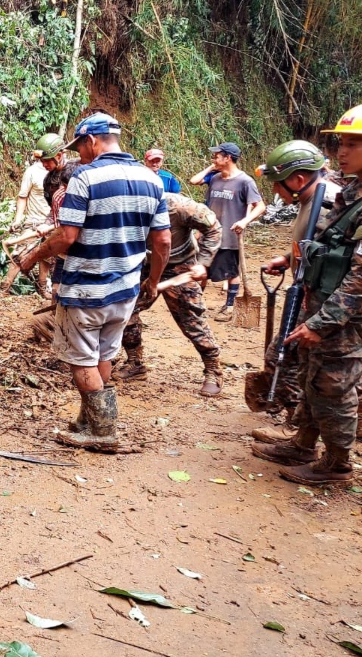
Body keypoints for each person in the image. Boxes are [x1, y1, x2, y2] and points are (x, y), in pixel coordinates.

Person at [16, 112, 171, 451]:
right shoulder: (151, 179)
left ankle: (102, 432)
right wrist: (153, 281)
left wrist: (31, 257)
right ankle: (90, 420)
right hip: (126, 288)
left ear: (91, 141)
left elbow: (66, 236)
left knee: (81, 359)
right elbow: (162, 242)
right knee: (104, 353)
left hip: (87, 286)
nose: (79, 155)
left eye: (80, 147)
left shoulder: (85, 178)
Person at [251, 108, 362, 485]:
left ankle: (337, 465)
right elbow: (328, 243)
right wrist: (291, 260)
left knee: (334, 387)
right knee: (314, 379)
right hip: (323, 302)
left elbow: (360, 278)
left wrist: (321, 322)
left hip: (344, 317)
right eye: (342, 142)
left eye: (353, 144)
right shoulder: (352, 193)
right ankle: (303, 444)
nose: (340, 152)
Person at [245, 141, 341, 444]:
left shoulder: (330, 205)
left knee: (285, 357)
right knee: (293, 359)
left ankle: (295, 427)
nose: (276, 192)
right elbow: (315, 248)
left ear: (298, 180)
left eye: (278, 185)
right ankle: (301, 430)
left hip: (327, 301)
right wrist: (288, 259)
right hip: (309, 292)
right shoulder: (309, 203)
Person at [116, 192, 224, 396]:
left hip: (180, 266)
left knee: (191, 320)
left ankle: (213, 369)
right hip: (144, 265)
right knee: (125, 311)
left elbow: (214, 228)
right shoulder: (121, 207)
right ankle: (135, 363)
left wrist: (203, 263)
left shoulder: (180, 207)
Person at [189, 142, 265, 321]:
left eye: (216, 155)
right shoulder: (214, 178)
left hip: (230, 236)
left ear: (228, 158)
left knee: (231, 272)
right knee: (202, 269)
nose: (213, 158)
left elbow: (260, 206)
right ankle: (195, 304)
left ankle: (229, 306)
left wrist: (244, 221)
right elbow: (195, 181)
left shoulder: (245, 181)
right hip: (209, 234)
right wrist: (211, 168)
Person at [2, 133, 68, 295]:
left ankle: (42, 287)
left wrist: (54, 224)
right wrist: (18, 219)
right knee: (21, 254)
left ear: (59, 156)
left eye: (47, 160)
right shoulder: (32, 171)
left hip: (56, 223)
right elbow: (22, 196)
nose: (44, 164)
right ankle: (4, 287)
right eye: (42, 161)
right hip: (35, 222)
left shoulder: (70, 172)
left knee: (48, 256)